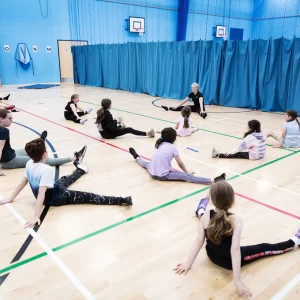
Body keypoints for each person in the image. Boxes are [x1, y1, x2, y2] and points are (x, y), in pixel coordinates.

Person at [174, 181, 300, 299]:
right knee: (264, 247)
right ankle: (295, 241)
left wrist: (188, 263)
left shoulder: (206, 216)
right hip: (227, 261)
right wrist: (237, 279)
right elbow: (235, 250)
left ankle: (199, 209)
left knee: (203, 215)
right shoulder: (236, 220)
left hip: (211, 254)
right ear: (232, 200)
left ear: (212, 200)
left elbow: (199, 241)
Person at [0, 138, 132, 228]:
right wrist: (36, 216)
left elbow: (23, 182)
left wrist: (10, 198)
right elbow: (41, 194)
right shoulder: (47, 170)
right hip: (58, 197)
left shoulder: (29, 163)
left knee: (64, 179)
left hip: (54, 190)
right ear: (45, 154)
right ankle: (121, 200)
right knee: (90, 196)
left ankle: (80, 170)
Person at [129, 127, 226, 184]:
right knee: (188, 177)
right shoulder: (172, 147)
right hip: (163, 175)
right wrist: (187, 172)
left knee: (145, 164)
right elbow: (180, 163)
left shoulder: (159, 143)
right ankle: (213, 180)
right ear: (173, 139)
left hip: (152, 170)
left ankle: (136, 156)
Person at [0, 109, 86, 170]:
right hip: (9, 161)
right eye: (9, 118)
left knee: (30, 148)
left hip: (11, 153)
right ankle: (74, 158)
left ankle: (40, 141)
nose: (12, 121)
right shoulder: (4, 131)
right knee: (42, 159)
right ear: (1, 119)